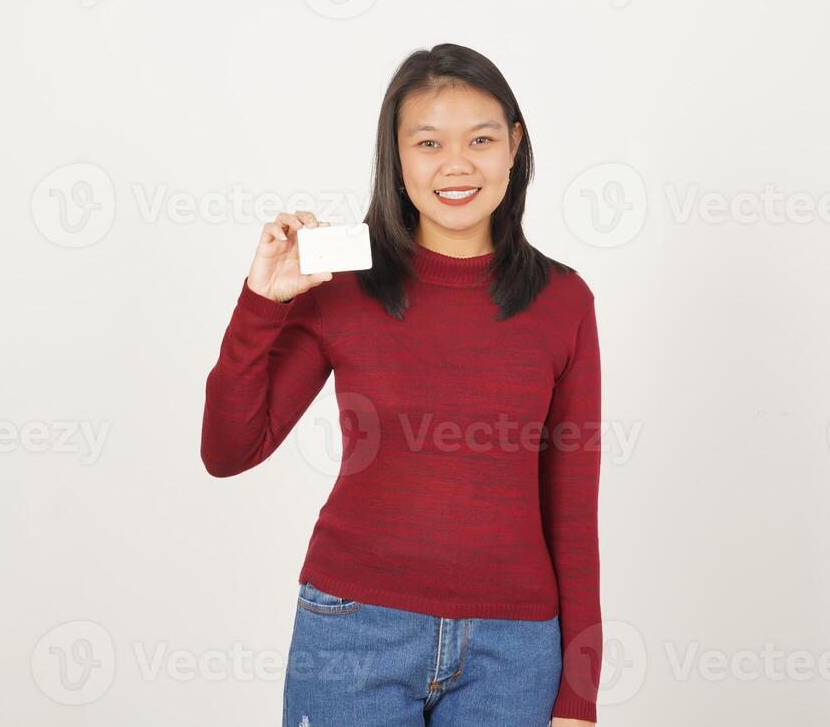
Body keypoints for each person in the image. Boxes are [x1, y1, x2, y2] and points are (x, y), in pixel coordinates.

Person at [202, 43, 603, 725]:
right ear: (396, 157)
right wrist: (262, 302)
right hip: (353, 635)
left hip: (513, 652)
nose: (456, 164)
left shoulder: (563, 301)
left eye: (479, 139)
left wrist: (580, 694)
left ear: (515, 145)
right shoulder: (343, 283)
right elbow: (230, 450)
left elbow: (572, 509)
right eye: (428, 142)